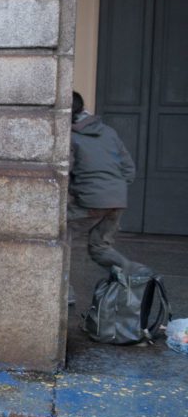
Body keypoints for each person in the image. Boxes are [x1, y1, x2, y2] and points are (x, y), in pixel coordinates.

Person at [68, 91, 135, 278]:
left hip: (91, 200)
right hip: (117, 200)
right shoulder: (108, 132)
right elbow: (129, 169)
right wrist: (113, 190)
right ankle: (136, 274)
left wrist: (78, 192)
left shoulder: (69, 136)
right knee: (100, 247)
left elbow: (66, 172)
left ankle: (63, 290)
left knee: (57, 235)